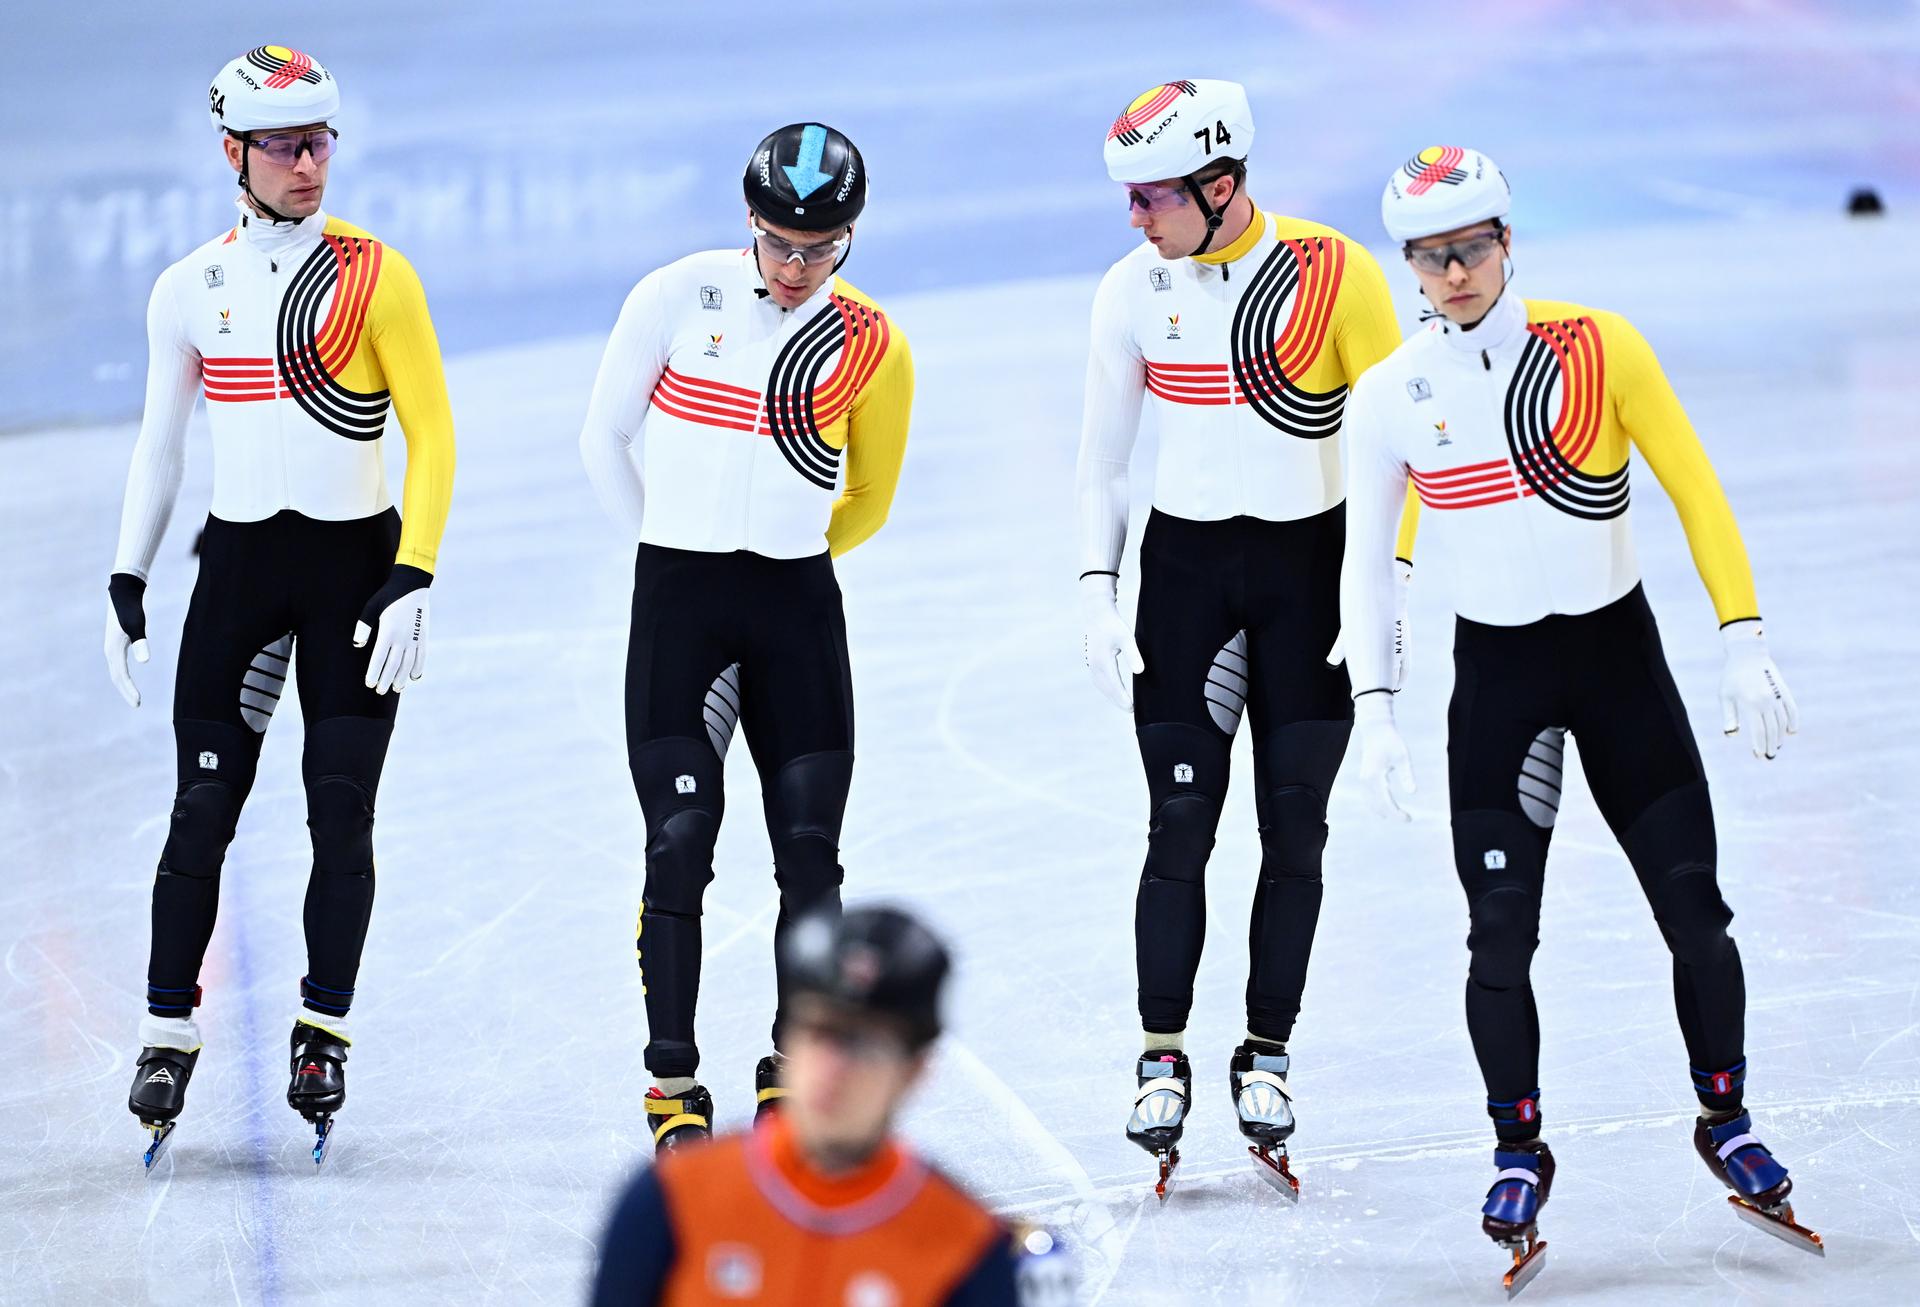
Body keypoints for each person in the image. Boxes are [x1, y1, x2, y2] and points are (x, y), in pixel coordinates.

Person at [1338, 146, 1815, 1288]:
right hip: (1500, 685)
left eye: (1471, 249)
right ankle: (1517, 1145)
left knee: (1696, 913)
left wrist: (1743, 638)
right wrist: (1375, 707)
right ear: (1408, 264)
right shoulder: (1392, 393)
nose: (1453, 273)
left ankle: (1726, 1113)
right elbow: (1365, 562)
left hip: (1619, 667)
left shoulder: (1600, 347)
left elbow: (1697, 487)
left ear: (1509, 244)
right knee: (1499, 931)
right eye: (1430, 256)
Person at [106, 44, 456, 1165]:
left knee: (339, 812)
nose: (310, 165)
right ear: (233, 154)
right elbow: (159, 448)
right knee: (199, 814)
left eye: (322, 142)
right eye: (286, 145)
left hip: (355, 576)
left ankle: (324, 1026)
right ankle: (168, 1026)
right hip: (241, 578)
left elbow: (435, 433)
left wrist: (415, 569)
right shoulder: (186, 289)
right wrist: (126, 577)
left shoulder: (377, 275)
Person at [1074, 78, 1414, 1195]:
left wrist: (1389, 583)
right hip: (1183, 581)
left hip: (1306, 580)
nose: (1134, 217)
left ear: (1223, 186)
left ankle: (1266, 1051)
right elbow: (1104, 457)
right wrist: (1095, 580)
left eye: (1152, 195)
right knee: (1180, 821)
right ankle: (1159, 1051)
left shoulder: (1335, 273)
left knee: (1294, 830)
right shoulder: (1132, 288)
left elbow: (1400, 446)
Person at [579, 123, 913, 1151]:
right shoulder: (676, 295)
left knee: (812, 861)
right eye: (780, 243)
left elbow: (870, 497)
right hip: (680, 608)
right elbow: (604, 435)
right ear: (750, 223)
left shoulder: (875, 343)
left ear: (851, 236)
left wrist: (788, 546)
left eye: (822, 248)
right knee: (679, 848)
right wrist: (671, 544)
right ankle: (672, 1080)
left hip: (796, 612)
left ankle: (789, 1066)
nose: (799, 266)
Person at [589, 906, 1023, 1306]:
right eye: (818, 1032)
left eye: (865, 1043)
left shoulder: (967, 1246)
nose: (834, 1068)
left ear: (915, 1070)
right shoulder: (670, 1198)